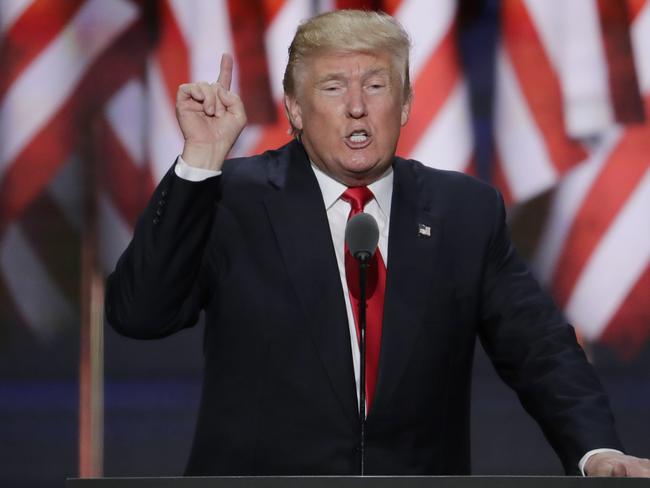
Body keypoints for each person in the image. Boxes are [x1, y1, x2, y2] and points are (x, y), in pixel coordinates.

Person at [106, 9, 650, 477]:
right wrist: (200, 163)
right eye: (333, 86)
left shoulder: (464, 211)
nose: (357, 106)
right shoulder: (235, 201)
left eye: (376, 84)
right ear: (294, 110)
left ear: (407, 103)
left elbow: (541, 349)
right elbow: (140, 313)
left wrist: (596, 450)